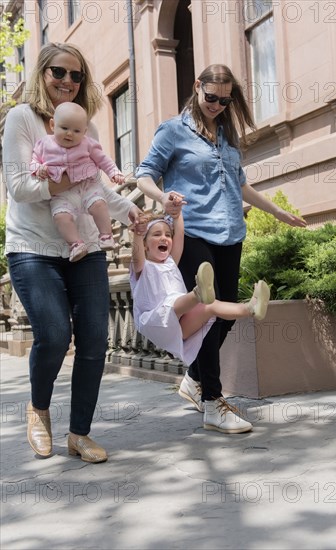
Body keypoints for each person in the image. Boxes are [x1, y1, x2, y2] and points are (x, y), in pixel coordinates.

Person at [136, 64, 306, 434]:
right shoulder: (173, 131)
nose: (216, 104)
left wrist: (279, 211)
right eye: (210, 97)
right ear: (197, 87)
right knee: (209, 308)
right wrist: (164, 196)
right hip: (192, 232)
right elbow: (144, 174)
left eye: (224, 100)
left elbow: (240, 184)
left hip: (231, 232)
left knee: (225, 315)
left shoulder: (227, 132)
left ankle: (193, 379)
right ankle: (214, 402)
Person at [2, 42, 142, 462]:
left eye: (76, 75)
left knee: (96, 340)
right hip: (34, 246)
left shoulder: (89, 129)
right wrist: (61, 182)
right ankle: (39, 409)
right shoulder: (21, 120)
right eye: (58, 72)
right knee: (55, 334)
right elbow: (19, 187)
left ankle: (79, 433)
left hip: (86, 246)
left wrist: (129, 210)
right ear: (42, 74)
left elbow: (95, 188)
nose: (66, 81)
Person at [130, 200, 270, 433]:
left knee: (210, 307)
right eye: (156, 235)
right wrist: (136, 234)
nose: (164, 238)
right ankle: (197, 292)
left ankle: (250, 308)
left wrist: (178, 215)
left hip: (179, 324)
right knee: (176, 302)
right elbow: (135, 256)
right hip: (156, 321)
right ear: (145, 245)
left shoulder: (171, 262)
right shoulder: (142, 267)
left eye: (167, 235)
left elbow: (180, 235)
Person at [31, 101, 125, 261]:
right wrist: (38, 168)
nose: (70, 134)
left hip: (87, 185)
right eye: (64, 128)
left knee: (99, 205)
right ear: (53, 125)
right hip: (61, 192)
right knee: (60, 217)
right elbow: (34, 160)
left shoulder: (88, 144)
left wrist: (114, 172)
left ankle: (105, 235)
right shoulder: (44, 144)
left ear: (84, 132)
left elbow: (103, 160)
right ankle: (75, 244)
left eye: (76, 131)